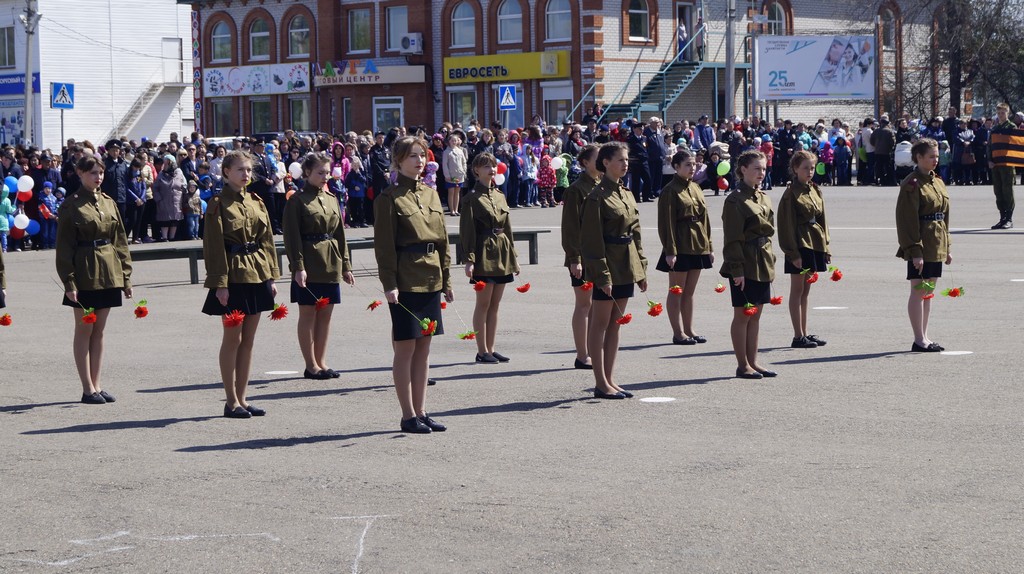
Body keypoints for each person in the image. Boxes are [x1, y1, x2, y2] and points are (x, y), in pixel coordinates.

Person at [374, 136, 453, 434]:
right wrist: (389, 284)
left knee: (425, 348)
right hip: (405, 280)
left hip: (431, 278)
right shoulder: (389, 199)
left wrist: (447, 279)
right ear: (398, 161)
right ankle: (407, 415)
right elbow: (384, 247)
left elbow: (443, 240)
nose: (419, 161)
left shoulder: (431, 195)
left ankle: (422, 410)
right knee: (406, 348)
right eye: (411, 156)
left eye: (422, 155)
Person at [201, 150, 280, 419]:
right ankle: (231, 400)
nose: (246, 175)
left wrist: (271, 276)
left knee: (249, 341)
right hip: (233, 277)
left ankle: (244, 398)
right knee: (232, 340)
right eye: (240, 170)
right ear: (225, 172)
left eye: (248, 170)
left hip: (256, 274)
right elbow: (213, 247)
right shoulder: (218, 204)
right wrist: (220, 283)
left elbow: (267, 241)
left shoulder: (257, 201)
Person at [55, 155, 134, 404]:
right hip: (84, 271)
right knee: (84, 329)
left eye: (100, 173)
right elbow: (64, 247)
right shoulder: (72, 205)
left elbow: (120, 240)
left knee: (99, 331)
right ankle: (87, 388)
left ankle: (97, 384)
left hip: (108, 270)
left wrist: (126, 276)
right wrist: (69, 282)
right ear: (80, 173)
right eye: (92, 173)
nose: (98, 177)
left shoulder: (109, 202)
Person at [580, 142, 648, 399]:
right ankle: (600, 382)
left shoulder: (627, 193)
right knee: (600, 324)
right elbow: (592, 242)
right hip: (608, 264)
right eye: (620, 160)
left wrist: (640, 269)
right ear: (605, 162)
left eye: (626, 160)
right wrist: (602, 275)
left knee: (616, 324)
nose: (625, 164)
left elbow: (636, 234)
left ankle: (610, 378)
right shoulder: (596, 197)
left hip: (626, 263)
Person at [283, 154, 355, 381]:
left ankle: (322, 362)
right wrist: (298, 266)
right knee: (308, 314)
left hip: (331, 261)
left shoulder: (332, 197)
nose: (325, 177)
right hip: (309, 261)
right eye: (319, 173)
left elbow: (340, 234)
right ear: (306, 173)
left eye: (327, 172)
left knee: (326, 315)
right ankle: (310, 365)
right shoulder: (297, 200)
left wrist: (345, 265)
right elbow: (292, 237)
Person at [720, 150, 776, 379]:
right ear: (743, 170)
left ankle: (753, 361)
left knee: (756, 315)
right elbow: (732, 238)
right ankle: (742, 365)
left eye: (763, 169)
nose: (761, 173)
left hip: (762, 260)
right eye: (756, 168)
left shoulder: (762, 196)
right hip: (744, 261)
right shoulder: (735, 200)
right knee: (743, 314)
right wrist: (737, 270)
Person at [460, 152, 519, 364]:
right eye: (486, 166)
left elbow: (508, 229)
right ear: (476, 170)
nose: (491, 170)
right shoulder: (471, 198)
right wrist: (469, 259)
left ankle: (491, 349)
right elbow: (467, 231)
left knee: (495, 305)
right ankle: (481, 350)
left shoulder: (499, 195)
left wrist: (514, 257)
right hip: (483, 251)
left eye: (493, 166)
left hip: (501, 251)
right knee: (483, 304)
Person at [896, 138, 951, 352]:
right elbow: (906, 220)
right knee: (918, 291)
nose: (935, 160)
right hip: (921, 243)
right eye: (931, 156)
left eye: (937, 156)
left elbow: (945, 216)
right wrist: (914, 251)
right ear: (919, 157)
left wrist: (947, 247)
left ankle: (925, 336)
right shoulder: (912, 184)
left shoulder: (936, 181)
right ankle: (919, 339)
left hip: (936, 243)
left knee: (928, 291)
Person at [656, 149, 714, 345]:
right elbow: (667, 224)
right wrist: (670, 251)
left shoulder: (696, 188)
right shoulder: (670, 191)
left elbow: (704, 219)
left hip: (697, 243)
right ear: (676, 167)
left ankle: (689, 329)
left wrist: (709, 246)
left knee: (689, 292)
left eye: (694, 164)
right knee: (676, 290)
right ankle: (678, 332)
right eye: (688, 165)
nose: (693, 168)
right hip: (680, 244)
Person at [777, 150, 831, 350]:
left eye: (812, 168)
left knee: (806, 291)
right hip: (800, 244)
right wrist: (793, 253)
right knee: (797, 290)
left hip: (814, 242)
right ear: (795, 169)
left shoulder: (815, 190)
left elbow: (823, 220)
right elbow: (785, 225)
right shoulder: (791, 193)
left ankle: (805, 331)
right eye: (805, 168)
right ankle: (797, 335)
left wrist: (826, 246)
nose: (809, 172)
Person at [561, 144, 601, 369]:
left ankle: (594, 349)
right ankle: (582, 354)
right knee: (584, 305)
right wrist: (574, 258)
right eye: (598, 158)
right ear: (585, 162)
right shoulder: (576, 189)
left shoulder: (602, 185)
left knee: (598, 305)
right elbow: (570, 227)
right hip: (582, 256)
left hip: (599, 255)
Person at [988, 103, 1016, 229]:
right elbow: (990, 146)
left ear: (1007, 113)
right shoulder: (995, 128)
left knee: (1007, 191)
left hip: (1007, 164)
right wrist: (989, 160)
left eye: (1003, 113)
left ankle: (1009, 219)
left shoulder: (1012, 127)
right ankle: (1002, 217)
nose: (1000, 115)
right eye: (999, 113)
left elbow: (1016, 144)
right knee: (998, 191)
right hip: (996, 164)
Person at [153, 154, 186, 241]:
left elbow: (184, 184)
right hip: (164, 199)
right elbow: (155, 187)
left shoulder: (179, 172)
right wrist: (158, 199)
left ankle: (172, 237)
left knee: (175, 219)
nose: (166, 164)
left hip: (176, 199)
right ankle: (164, 237)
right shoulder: (161, 174)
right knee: (165, 220)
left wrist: (183, 192)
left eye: (167, 162)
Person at [442, 133, 467, 216]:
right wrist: (447, 175)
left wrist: (464, 171)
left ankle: (456, 210)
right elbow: (444, 164)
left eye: (455, 140)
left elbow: (464, 162)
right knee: (451, 192)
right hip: (451, 175)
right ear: (449, 141)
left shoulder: (460, 151)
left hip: (459, 175)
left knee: (457, 192)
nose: (454, 142)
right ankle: (452, 210)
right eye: (452, 140)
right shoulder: (446, 152)